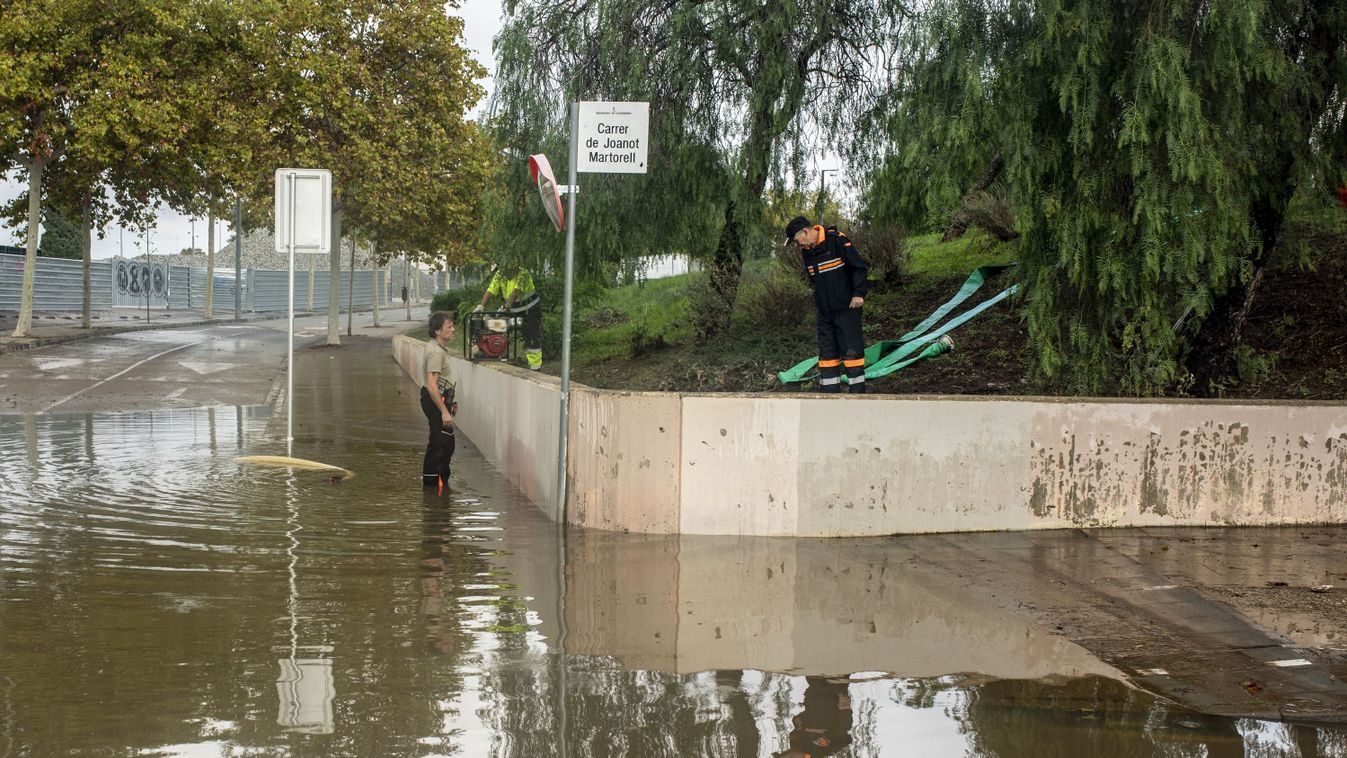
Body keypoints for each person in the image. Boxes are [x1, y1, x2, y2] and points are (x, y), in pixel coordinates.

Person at [786, 215, 869, 393]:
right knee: (827, 356)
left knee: (851, 353)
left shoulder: (837, 240)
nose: (797, 245)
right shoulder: (807, 251)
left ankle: (858, 396)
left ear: (805, 232)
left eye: (796, 240)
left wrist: (858, 294)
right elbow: (814, 281)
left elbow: (858, 268)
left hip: (847, 309)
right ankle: (829, 397)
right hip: (825, 312)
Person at [475, 260, 542, 371]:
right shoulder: (500, 274)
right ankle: (491, 351)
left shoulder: (523, 274)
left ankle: (535, 367)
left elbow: (515, 293)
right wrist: (481, 306)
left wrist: (504, 308)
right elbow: (490, 291)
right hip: (512, 309)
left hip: (530, 310)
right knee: (493, 324)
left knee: (531, 336)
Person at [421, 311, 457, 491]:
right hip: (436, 400)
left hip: (441, 399)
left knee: (447, 443)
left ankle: (442, 484)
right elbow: (431, 384)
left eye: (452, 325)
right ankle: (431, 489)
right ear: (437, 331)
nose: (453, 329)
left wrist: (450, 405)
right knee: (439, 444)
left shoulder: (438, 349)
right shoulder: (435, 352)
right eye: (449, 327)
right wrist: (444, 411)